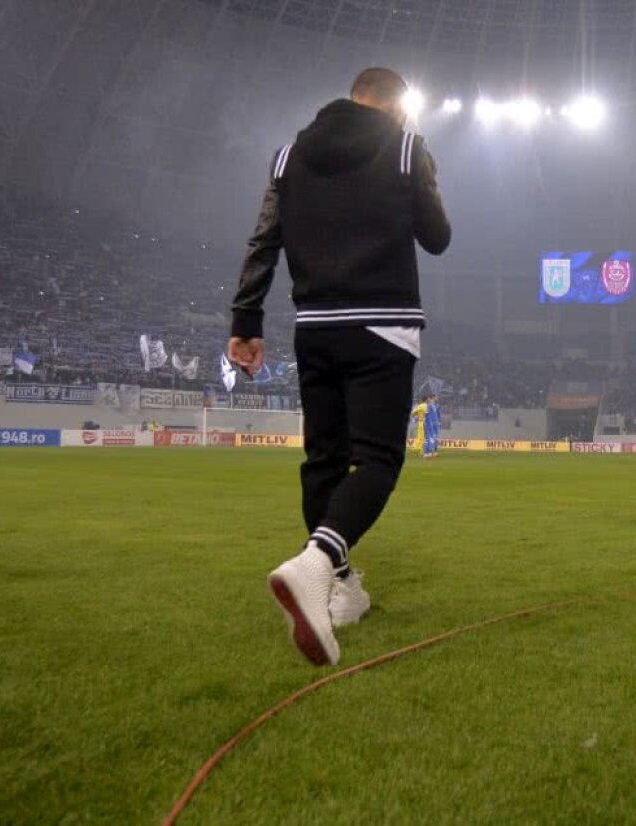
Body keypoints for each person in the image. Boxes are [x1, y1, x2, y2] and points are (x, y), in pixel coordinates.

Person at [228, 67, 451, 665]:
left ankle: (343, 590)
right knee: (378, 458)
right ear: (397, 105)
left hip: (315, 327)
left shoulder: (288, 155)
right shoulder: (405, 148)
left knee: (323, 459)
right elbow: (438, 237)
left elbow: (264, 240)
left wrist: (246, 321)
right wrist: (422, 166)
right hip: (382, 323)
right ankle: (318, 561)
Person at [423, 393, 441, 458]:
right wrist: (426, 422)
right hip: (429, 424)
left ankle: (432, 452)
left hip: (434, 424)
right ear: (432, 398)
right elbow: (425, 414)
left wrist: (438, 422)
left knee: (433, 438)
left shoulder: (434, 405)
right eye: (436, 397)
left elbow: (435, 415)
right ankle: (427, 453)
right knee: (429, 439)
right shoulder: (429, 405)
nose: (437, 398)